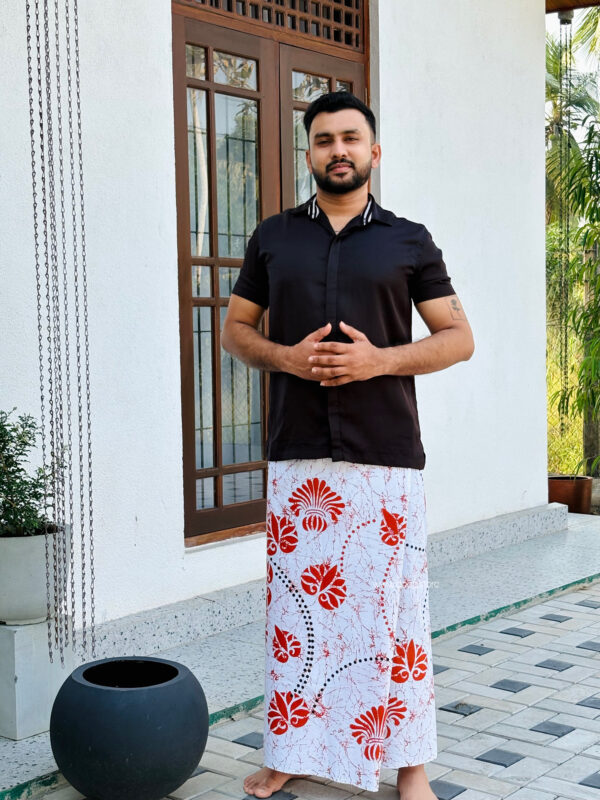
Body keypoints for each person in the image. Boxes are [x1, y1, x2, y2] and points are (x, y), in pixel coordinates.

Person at [221, 91, 474, 800]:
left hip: (385, 455)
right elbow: (235, 331)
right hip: (299, 454)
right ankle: (291, 749)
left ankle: (411, 767)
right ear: (308, 153)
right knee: (298, 619)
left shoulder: (409, 240)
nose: (339, 149)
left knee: (395, 615)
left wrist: (380, 361)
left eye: (351, 138)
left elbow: (459, 339)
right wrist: (286, 359)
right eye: (325, 139)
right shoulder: (273, 237)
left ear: (374, 152)